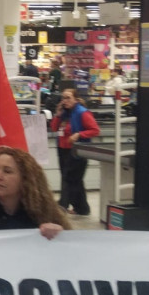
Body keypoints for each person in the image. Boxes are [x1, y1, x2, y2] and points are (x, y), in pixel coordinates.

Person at [0, 147, 70, 239]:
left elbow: (71, 250)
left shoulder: (45, 211)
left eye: (7, 171)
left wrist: (60, 235)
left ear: (25, 179)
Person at [51, 87, 100, 215]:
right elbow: (54, 128)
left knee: (69, 179)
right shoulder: (64, 113)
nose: (64, 101)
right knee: (75, 181)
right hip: (63, 149)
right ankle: (82, 208)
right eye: (63, 98)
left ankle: (63, 205)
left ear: (76, 99)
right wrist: (57, 114)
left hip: (77, 151)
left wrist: (79, 135)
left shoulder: (82, 113)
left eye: (68, 98)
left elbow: (95, 130)